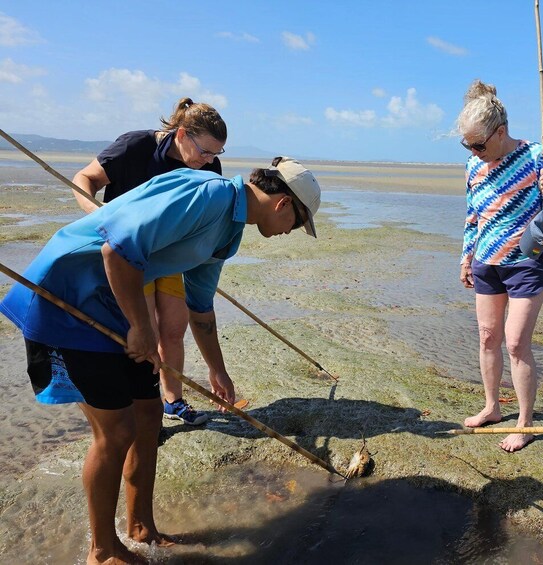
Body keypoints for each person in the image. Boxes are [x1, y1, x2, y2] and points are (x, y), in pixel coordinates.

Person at [0, 157, 321, 564]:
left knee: (149, 416)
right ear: (283, 205)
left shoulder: (229, 233)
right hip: (67, 298)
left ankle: (140, 527)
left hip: (114, 305)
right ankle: (102, 551)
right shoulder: (211, 194)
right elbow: (115, 250)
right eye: (296, 225)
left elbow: (200, 308)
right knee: (115, 432)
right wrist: (141, 326)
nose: (288, 233)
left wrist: (216, 369)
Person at [72, 97, 227, 426]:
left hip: (168, 256)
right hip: (126, 256)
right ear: (182, 135)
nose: (210, 161)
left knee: (172, 330)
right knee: (147, 331)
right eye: (205, 151)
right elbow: (83, 180)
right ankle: (147, 408)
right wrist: (102, 217)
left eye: (216, 154)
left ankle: (174, 402)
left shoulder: (208, 166)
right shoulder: (134, 146)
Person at [456, 79, 543, 452]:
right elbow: (473, 217)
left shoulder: (536, 155)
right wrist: (466, 257)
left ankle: (525, 422)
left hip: (526, 262)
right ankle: (491, 407)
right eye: (467, 145)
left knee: (517, 342)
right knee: (488, 337)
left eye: (478, 144)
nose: (473, 151)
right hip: (487, 261)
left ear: (500, 132)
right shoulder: (473, 165)